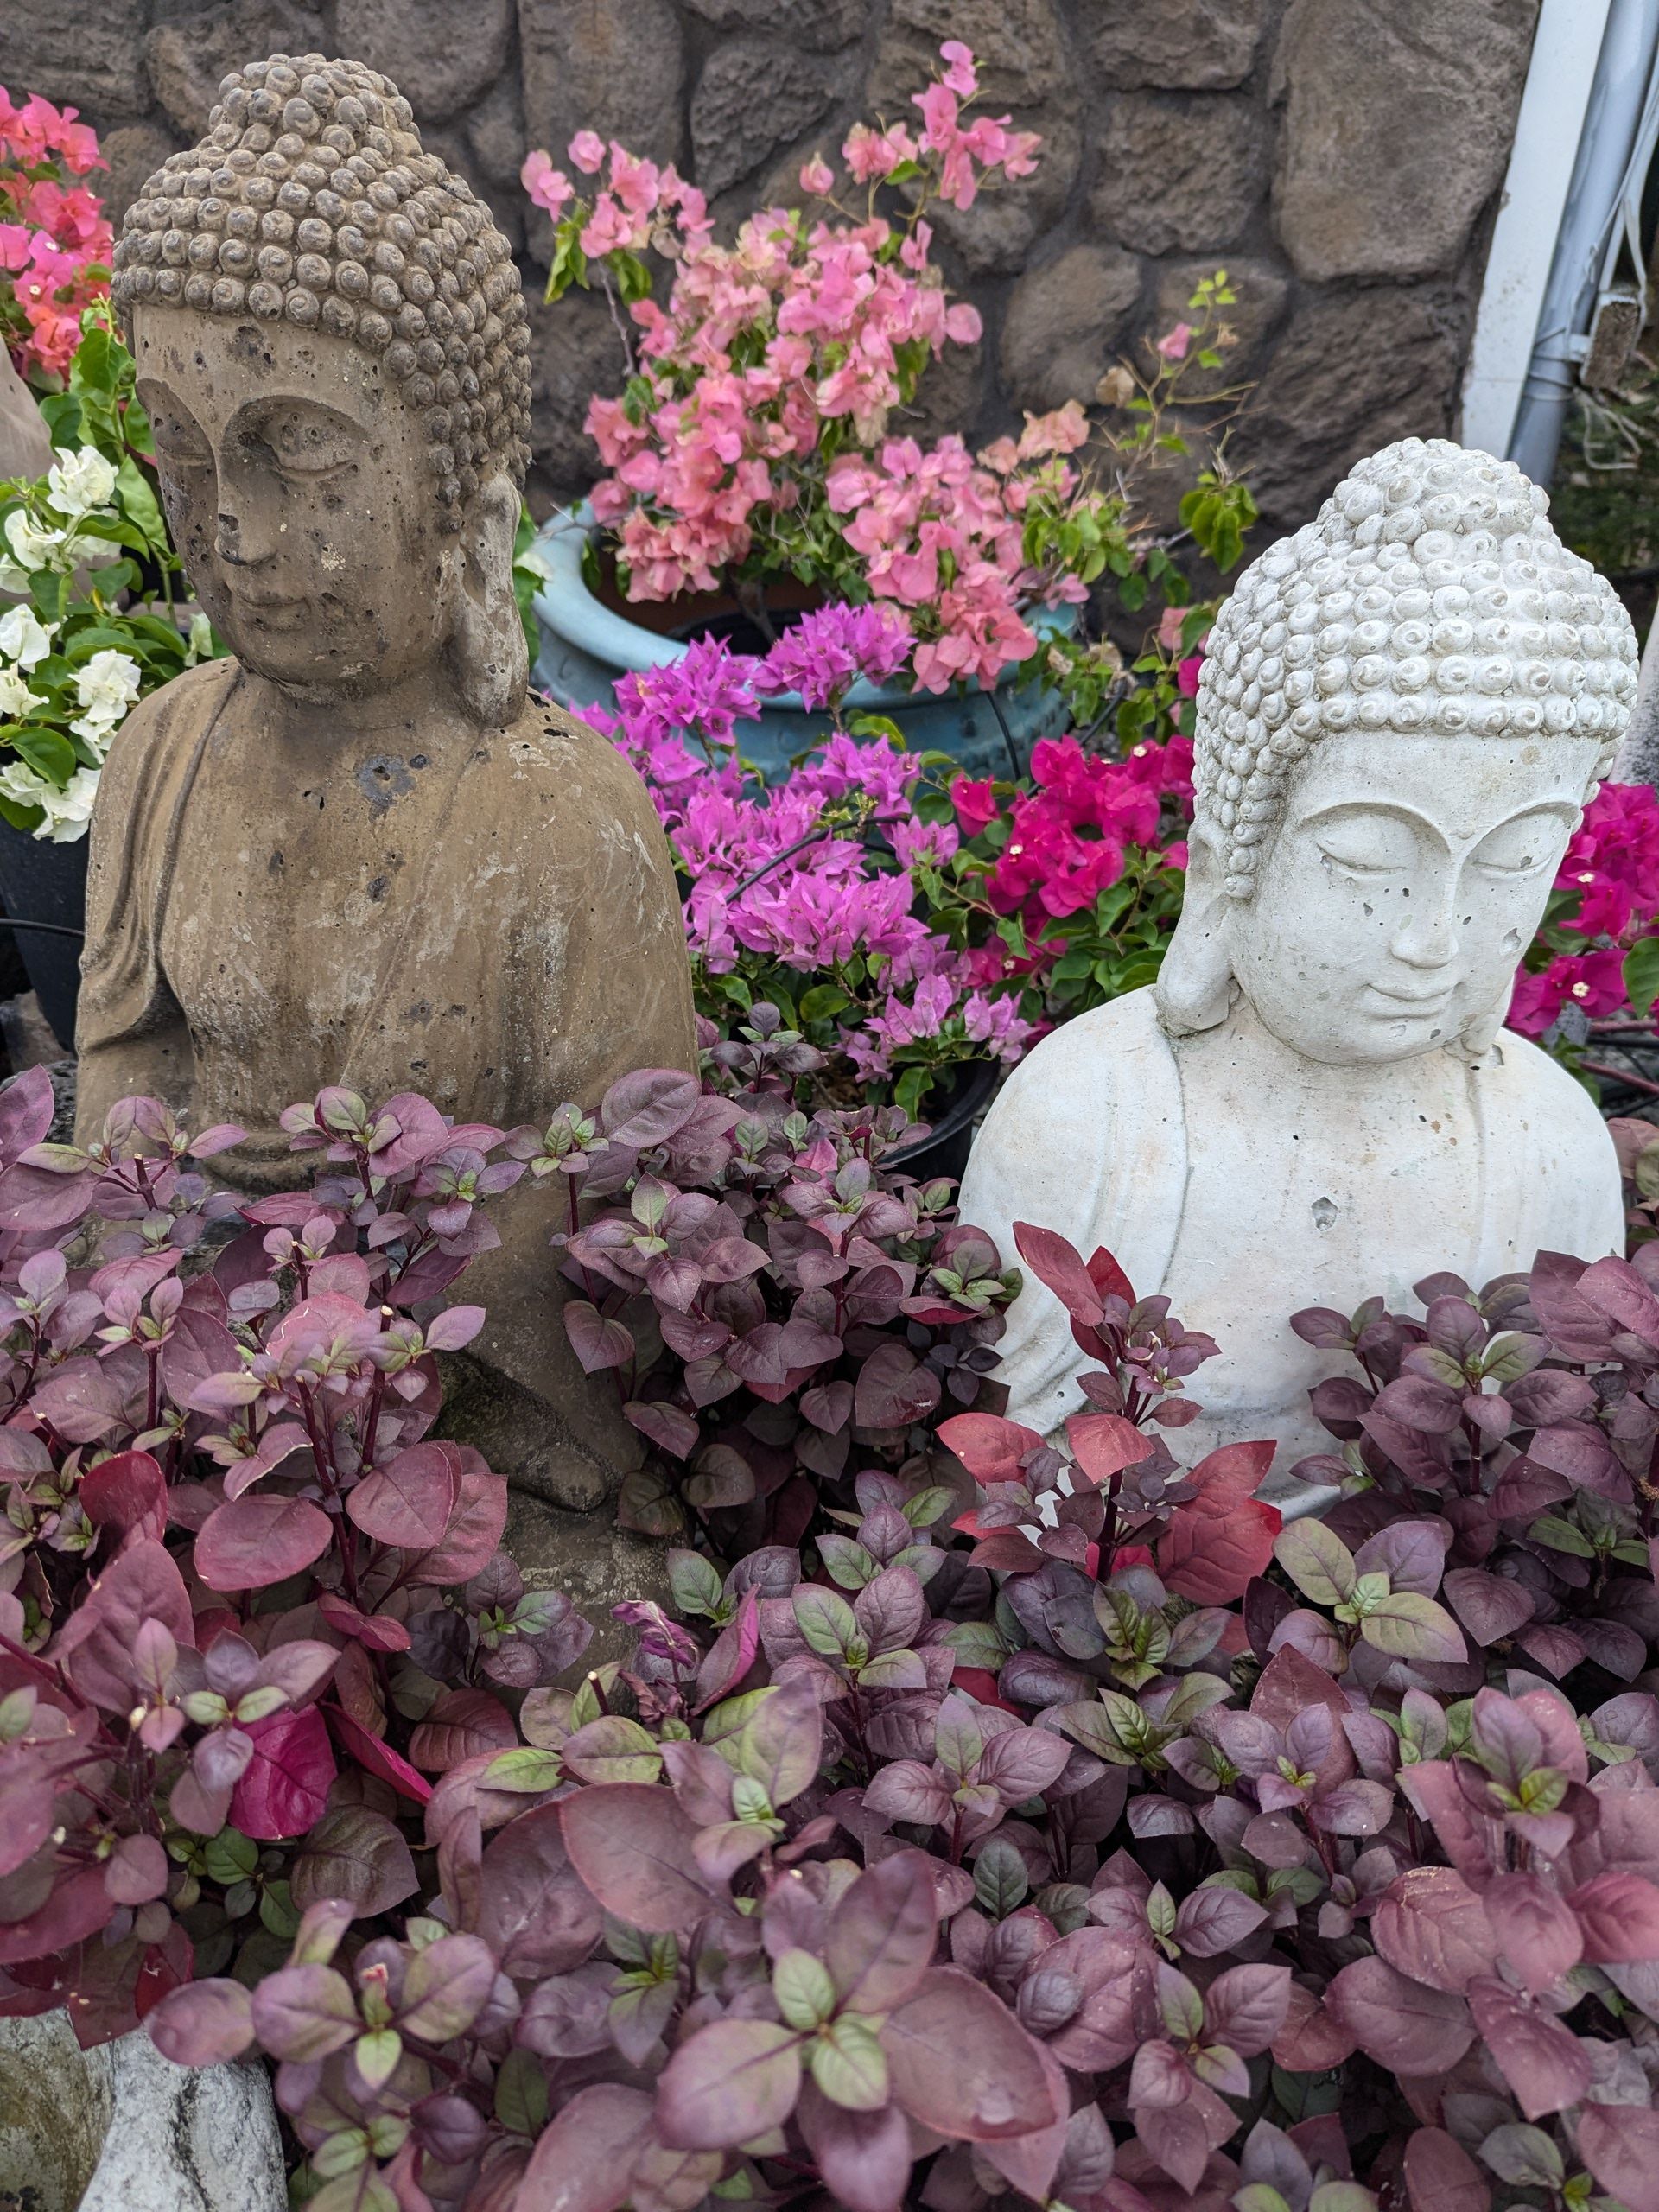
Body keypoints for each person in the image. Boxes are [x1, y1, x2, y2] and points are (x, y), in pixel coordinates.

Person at [79, 54, 697, 1605]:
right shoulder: (162, 754)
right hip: (207, 1412)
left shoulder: (567, 822)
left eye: (298, 454)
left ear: (457, 487)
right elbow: (117, 1099)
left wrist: (373, 1252)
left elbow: (629, 1221)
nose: (230, 527)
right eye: (185, 446)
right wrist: (197, 1217)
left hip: (488, 1462)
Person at [960, 439, 1635, 1478]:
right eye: (1368, 858)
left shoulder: (1555, 1155)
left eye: (1511, 861)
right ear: (1235, 855)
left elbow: (1556, 1477)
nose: (1431, 937)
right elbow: (1000, 1477)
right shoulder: (1086, 1125)